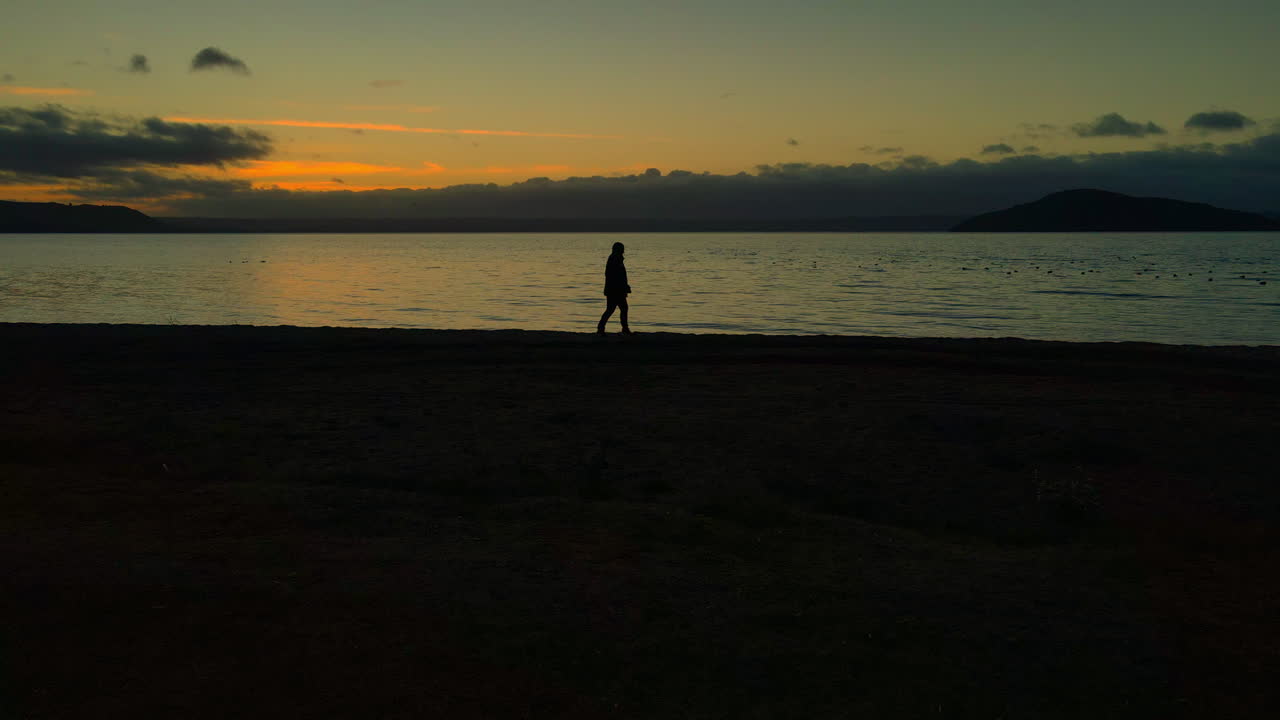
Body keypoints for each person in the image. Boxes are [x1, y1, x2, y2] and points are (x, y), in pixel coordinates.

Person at [597, 241, 631, 334]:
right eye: (622, 249)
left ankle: (601, 327)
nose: (623, 250)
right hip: (615, 290)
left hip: (614, 289)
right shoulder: (615, 259)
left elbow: (619, 276)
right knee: (620, 308)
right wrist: (623, 286)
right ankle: (624, 329)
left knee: (613, 309)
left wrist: (625, 285)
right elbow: (615, 276)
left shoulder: (616, 258)